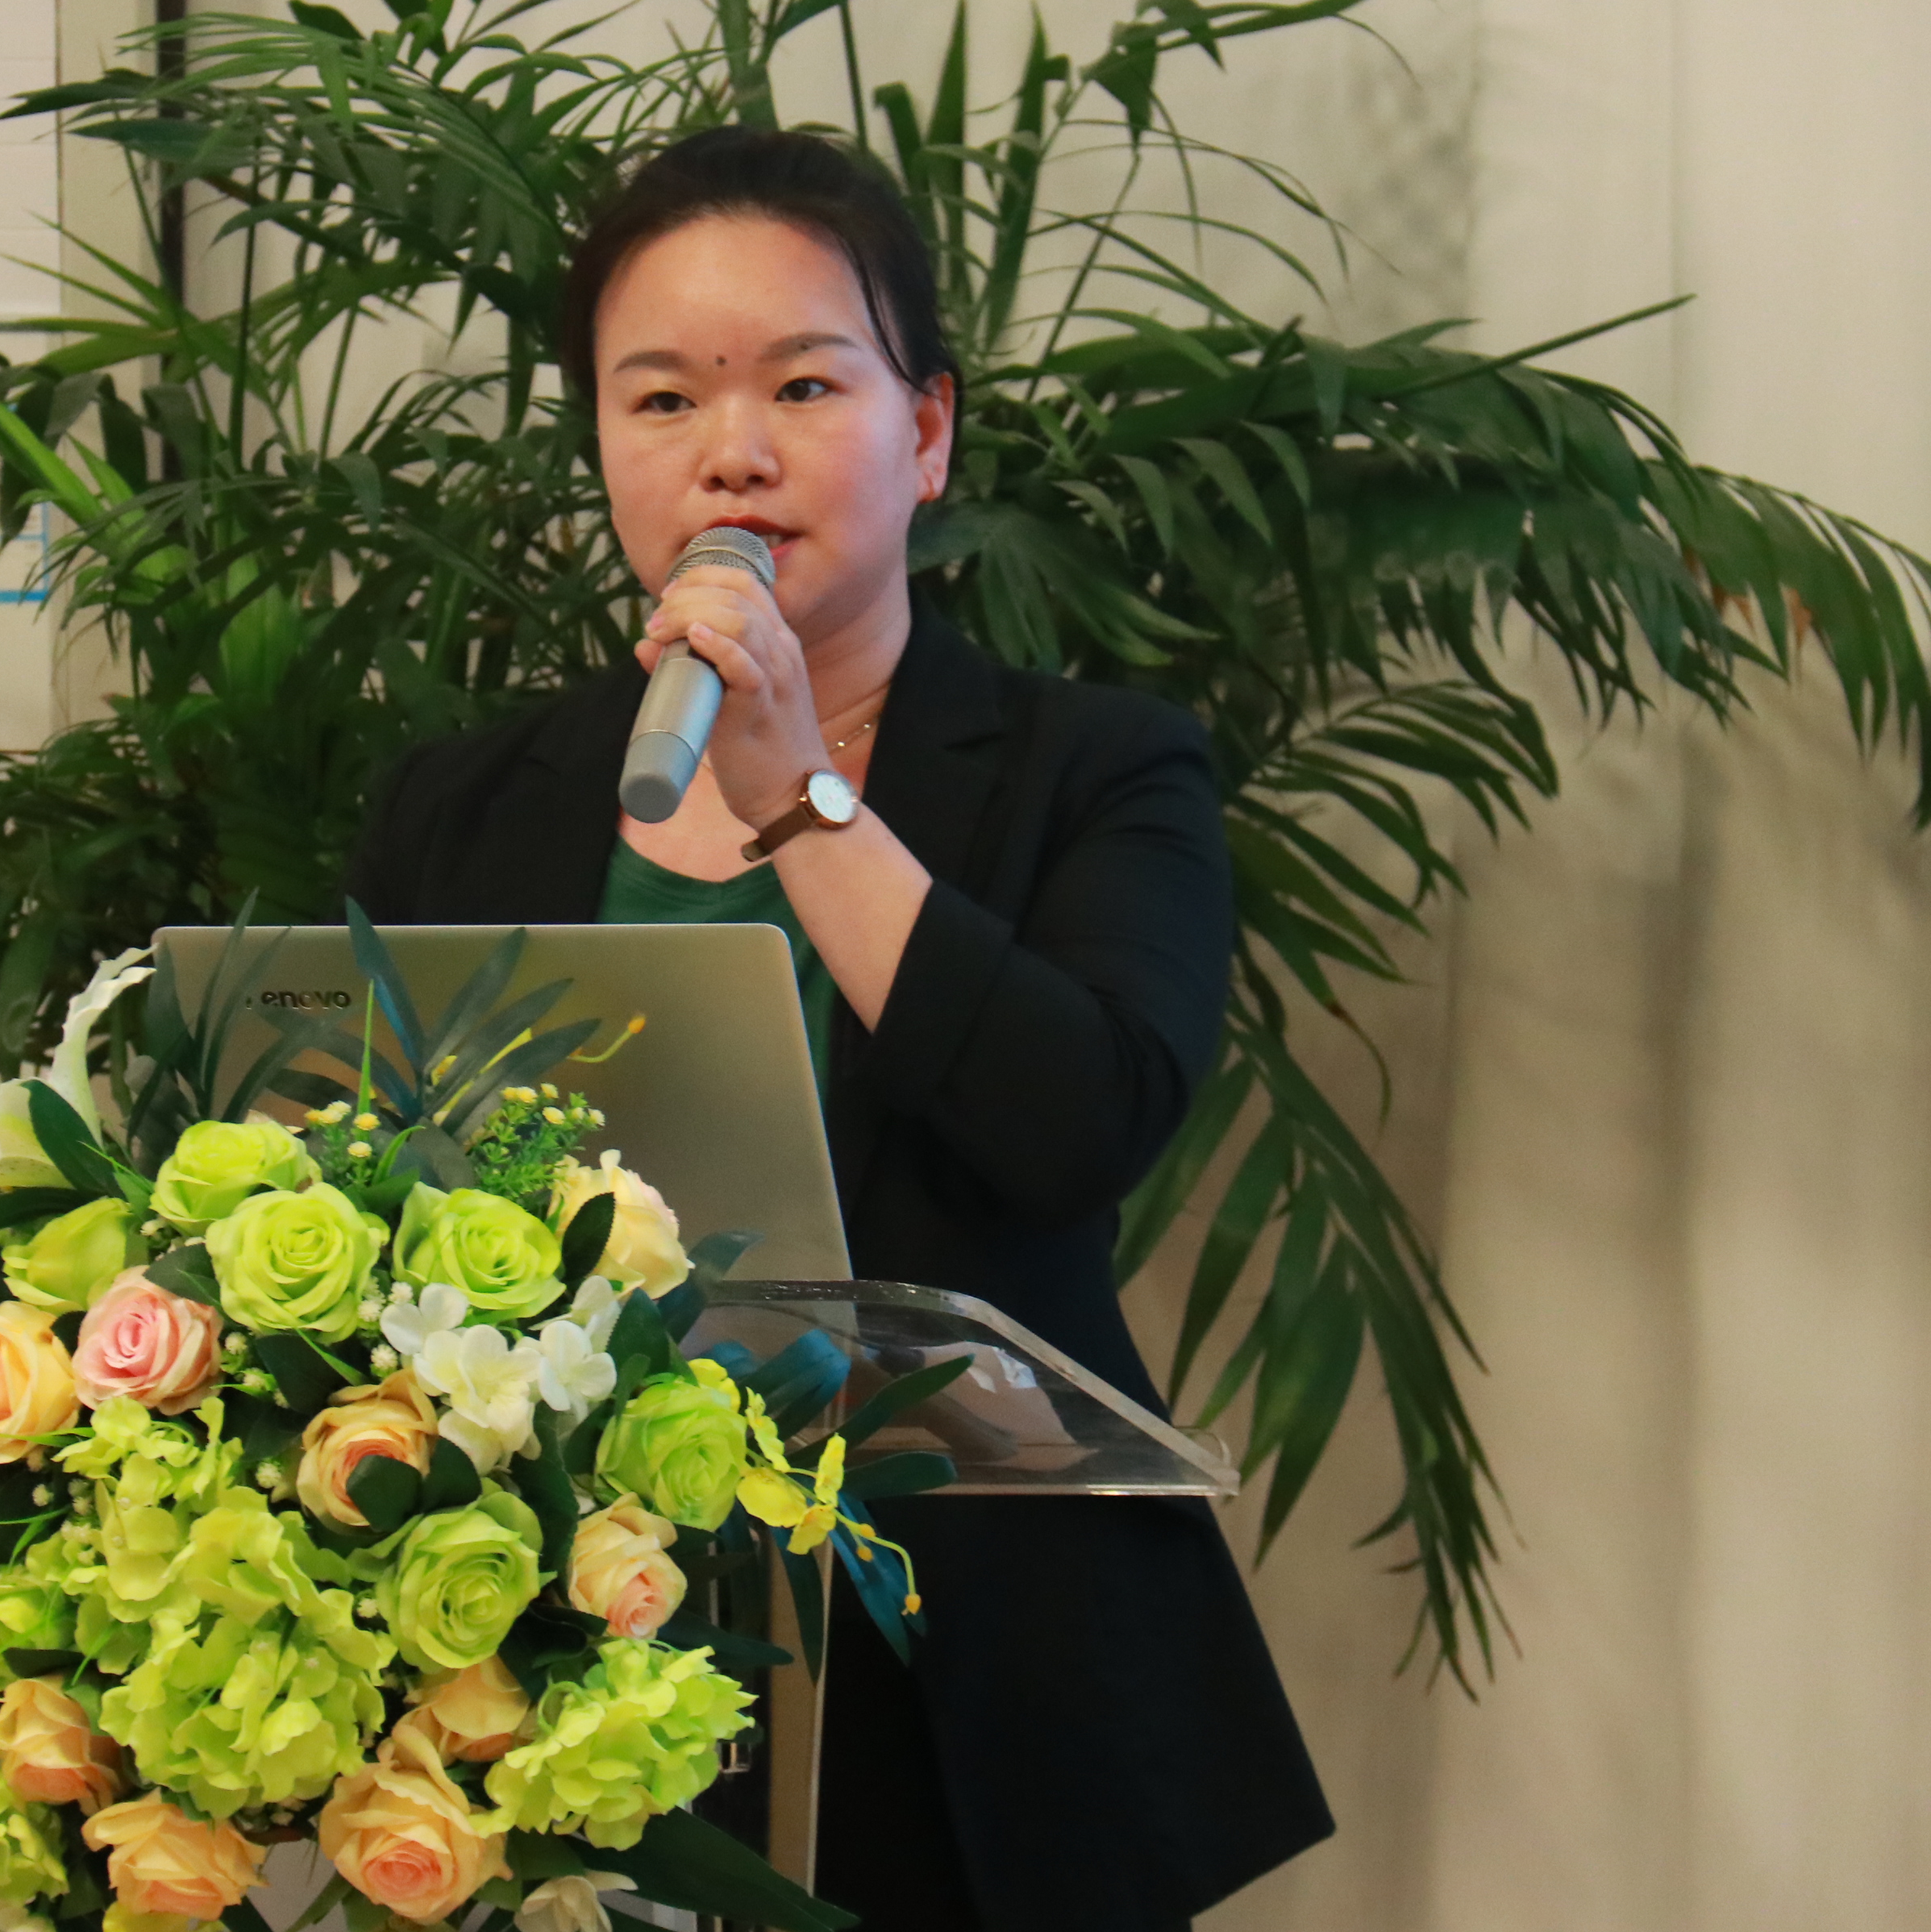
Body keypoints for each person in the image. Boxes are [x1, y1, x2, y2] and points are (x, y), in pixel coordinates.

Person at [344, 127, 1331, 1929]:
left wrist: (798, 791)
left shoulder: (1099, 770)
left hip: (969, 1691)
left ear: (927, 431)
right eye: (662, 398)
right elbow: (369, 1205)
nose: (731, 449)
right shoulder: (463, 806)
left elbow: (1081, 1119)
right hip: (553, 1670)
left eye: (804, 384)